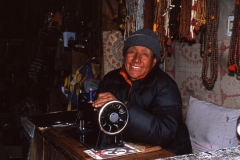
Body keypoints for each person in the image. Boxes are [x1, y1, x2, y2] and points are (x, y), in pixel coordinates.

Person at [92, 28, 192, 155]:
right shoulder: (110, 79)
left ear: (154, 61)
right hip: (130, 149)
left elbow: (163, 133)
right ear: (124, 56)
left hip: (168, 153)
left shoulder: (165, 86)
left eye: (145, 54)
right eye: (132, 51)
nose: (136, 59)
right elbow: (99, 119)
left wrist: (122, 108)